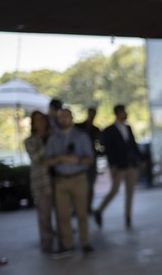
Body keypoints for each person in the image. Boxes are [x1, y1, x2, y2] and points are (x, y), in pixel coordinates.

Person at [45, 108, 95, 258]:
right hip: (61, 180)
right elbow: (47, 161)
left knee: (81, 213)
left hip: (79, 178)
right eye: (61, 117)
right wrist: (59, 158)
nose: (64, 119)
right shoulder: (53, 138)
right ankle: (67, 244)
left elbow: (91, 159)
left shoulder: (81, 136)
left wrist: (77, 160)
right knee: (62, 215)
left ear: (72, 118)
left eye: (67, 116)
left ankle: (85, 242)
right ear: (58, 119)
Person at [93, 104, 141, 229]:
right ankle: (99, 210)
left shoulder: (128, 128)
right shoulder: (109, 130)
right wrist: (113, 165)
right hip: (119, 166)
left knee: (130, 191)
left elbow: (133, 145)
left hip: (130, 164)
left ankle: (128, 216)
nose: (125, 114)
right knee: (114, 190)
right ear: (118, 113)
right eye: (123, 112)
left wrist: (139, 160)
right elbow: (108, 149)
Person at [24, 111, 56, 254]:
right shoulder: (30, 141)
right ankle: (47, 243)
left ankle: (64, 241)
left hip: (57, 179)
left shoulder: (55, 135)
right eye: (37, 120)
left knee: (62, 213)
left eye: (42, 119)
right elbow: (36, 158)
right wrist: (48, 142)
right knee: (44, 215)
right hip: (41, 182)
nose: (40, 122)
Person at [76, 107, 103, 213]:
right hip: (80, 160)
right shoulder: (79, 127)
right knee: (80, 185)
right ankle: (78, 207)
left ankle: (88, 206)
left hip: (91, 160)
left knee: (90, 184)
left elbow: (100, 144)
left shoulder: (95, 129)